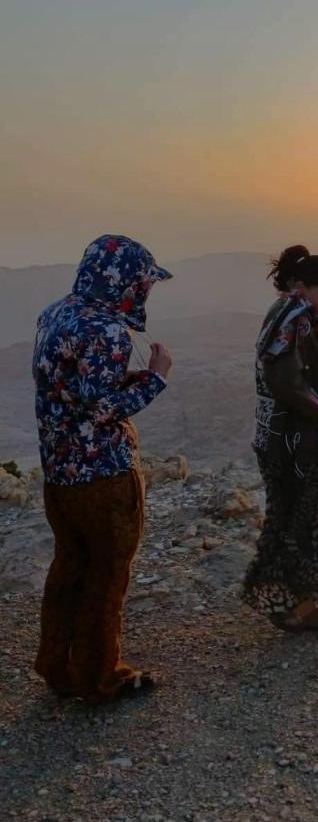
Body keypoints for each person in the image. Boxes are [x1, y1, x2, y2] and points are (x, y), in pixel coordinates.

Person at [32, 234, 173, 702]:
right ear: (126, 283)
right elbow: (102, 410)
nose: (145, 294)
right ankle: (98, 676)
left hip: (59, 473)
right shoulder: (108, 330)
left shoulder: (57, 313)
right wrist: (155, 377)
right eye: (143, 284)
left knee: (70, 563)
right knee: (108, 572)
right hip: (103, 475)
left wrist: (122, 379)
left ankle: (57, 665)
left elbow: (75, 390)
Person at [242, 251, 318, 633]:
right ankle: (300, 605)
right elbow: (288, 384)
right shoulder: (290, 319)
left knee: (298, 522)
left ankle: (293, 604)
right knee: (314, 523)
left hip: (306, 440)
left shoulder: (315, 317)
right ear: (301, 287)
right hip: (297, 444)